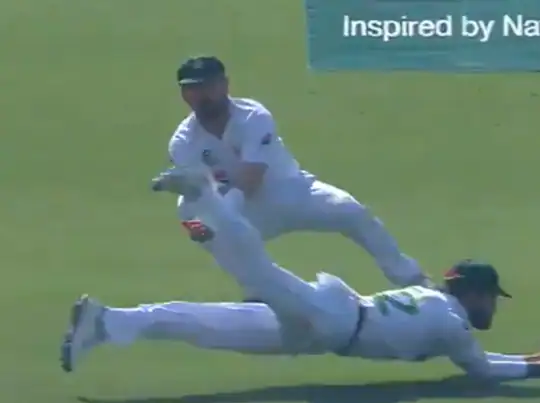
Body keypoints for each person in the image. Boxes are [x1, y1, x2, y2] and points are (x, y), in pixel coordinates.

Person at [159, 55, 428, 301]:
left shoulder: (253, 117)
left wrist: (223, 218)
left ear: (224, 85)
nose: (201, 95)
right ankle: (260, 293)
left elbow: (251, 179)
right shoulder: (183, 142)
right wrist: (207, 224)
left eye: (207, 86)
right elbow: (202, 193)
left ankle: (413, 280)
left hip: (289, 191)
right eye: (192, 89)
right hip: (247, 212)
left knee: (351, 212)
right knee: (211, 232)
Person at [60, 260, 540, 380]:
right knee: (257, 272)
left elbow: (480, 359)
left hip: (326, 326)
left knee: (214, 324)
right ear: (471, 293)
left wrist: (533, 358)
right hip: (335, 318)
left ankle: (107, 322)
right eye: (490, 297)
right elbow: (480, 369)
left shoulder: (434, 301)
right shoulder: (452, 325)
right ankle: (212, 209)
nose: (492, 306)